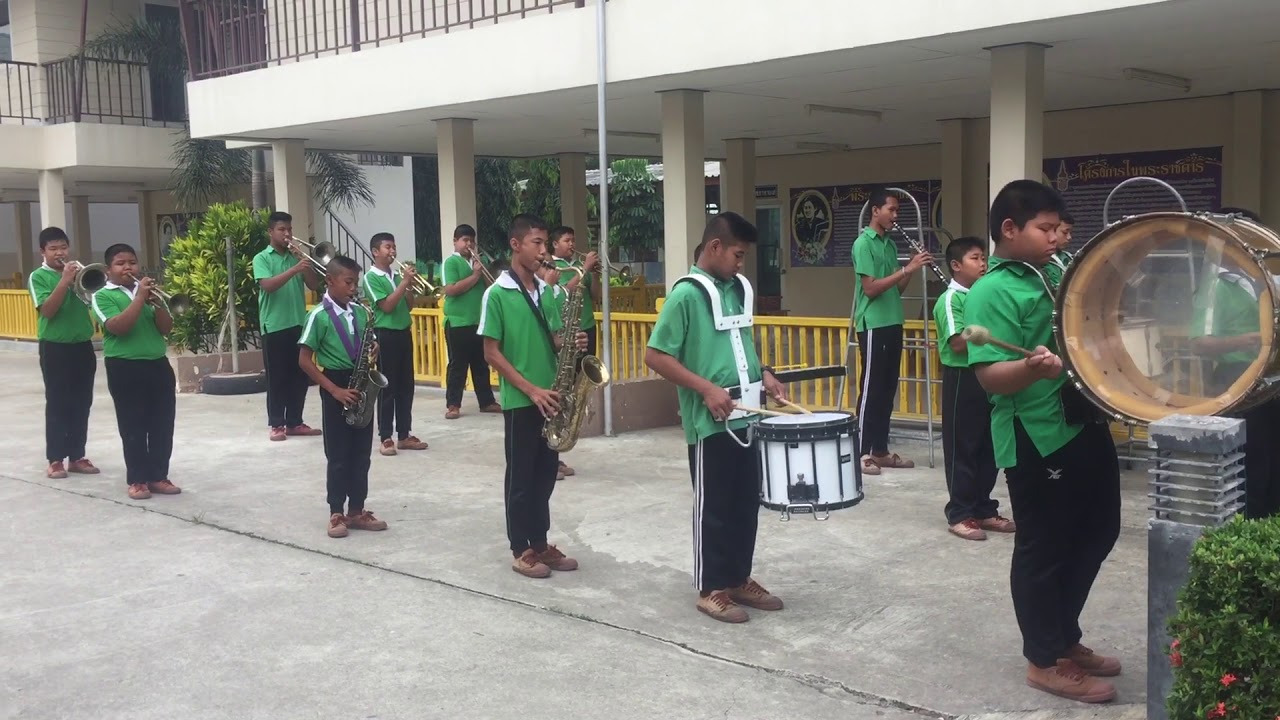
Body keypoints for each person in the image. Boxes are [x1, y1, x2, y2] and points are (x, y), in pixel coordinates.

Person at [965, 179, 1121, 704]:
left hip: (1083, 420)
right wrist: (1030, 369)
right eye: (1046, 228)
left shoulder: (1058, 270)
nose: (1057, 237)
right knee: (1045, 544)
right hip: (1037, 435)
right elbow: (989, 376)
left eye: (1060, 228)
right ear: (1009, 230)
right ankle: (1043, 659)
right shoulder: (991, 289)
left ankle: (1063, 635)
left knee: (1099, 531)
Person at [645, 211, 788, 624]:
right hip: (711, 423)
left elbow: (742, 342)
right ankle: (711, 588)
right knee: (715, 506)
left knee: (746, 502)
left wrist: (766, 374)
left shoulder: (735, 289)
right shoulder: (686, 296)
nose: (741, 265)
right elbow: (655, 355)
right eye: (738, 255)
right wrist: (705, 388)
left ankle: (739, 577)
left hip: (747, 416)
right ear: (715, 247)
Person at [478, 214, 587, 578]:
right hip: (522, 400)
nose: (544, 251)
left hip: (552, 396)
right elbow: (491, 352)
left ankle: (540, 542)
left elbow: (554, 338)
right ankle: (520, 548)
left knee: (544, 475)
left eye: (544, 244)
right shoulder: (497, 293)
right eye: (536, 243)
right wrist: (530, 389)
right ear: (516, 245)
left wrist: (571, 341)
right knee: (521, 477)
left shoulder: (548, 292)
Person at [1187, 206, 1280, 520]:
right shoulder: (1215, 287)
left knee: (1273, 460)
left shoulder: (1265, 279)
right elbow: (1199, 343)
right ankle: (1247, 529)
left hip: (1272, 378)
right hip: (1237, 378)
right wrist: (1250, 340)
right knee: (1251, 463)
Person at [299, 255, 389, 539]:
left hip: (360, 382)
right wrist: (334, 390)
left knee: (361, 453)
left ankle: (357, 509)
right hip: (335, 384)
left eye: (356, 283)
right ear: (330, 281)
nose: (354, 288)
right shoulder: (318, 315)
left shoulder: (361, 313)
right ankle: (336, 511)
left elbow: (368, 342)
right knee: (338, 454)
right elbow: (304, 360)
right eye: (348, 282)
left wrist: (374, 347)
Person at [931, 236, 1012, 541]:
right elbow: (956, 343)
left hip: (988, 373)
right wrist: (983, 333)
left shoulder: (982, 295)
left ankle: (984, 508)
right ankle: (960, 514)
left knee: (989, 445)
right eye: (976, 258)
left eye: (983, 258)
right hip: (963, 377)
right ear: (955, 265)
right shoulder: (952, 299)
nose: (983, 264)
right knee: (962, 447)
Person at [851, 188, 931, 475]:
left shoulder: (890, 244)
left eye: (897, 211)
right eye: (892, 210)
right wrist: (906, 268)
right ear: (876, 211)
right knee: (871, 388)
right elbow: (871, 288)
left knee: (887, 389)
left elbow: (897, 288)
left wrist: (910, 268)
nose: (895, 216)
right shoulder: (864, 244)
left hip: (893, 320)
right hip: (872, 323)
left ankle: (880, 450)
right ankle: (860, 453)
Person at [90, 244, 179, 501]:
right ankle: (138, 480)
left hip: (157, 363)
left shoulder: (147, 294)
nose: (128, 267)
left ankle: (159, 476)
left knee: (162, 424)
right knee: (133, 425)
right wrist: (140, 298)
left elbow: (165, 328)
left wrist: (159, 303)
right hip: (124, 366)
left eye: (132, 262)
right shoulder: (102, 296)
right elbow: (118, 327)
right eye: (120, 263)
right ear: (109, 270)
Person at [28, 226, 100, 479]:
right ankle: (56, 459)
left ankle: (77, 456)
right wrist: (65, 281)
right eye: (53, 248)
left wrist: (79, 280)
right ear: (42, 252)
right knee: (59, 403)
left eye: (63, 247)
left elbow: (94, 299)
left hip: (82, 345)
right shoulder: (38, 276)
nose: (60, 252)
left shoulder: (79, 274)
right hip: (55, 347)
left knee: (83, 402)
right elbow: (47, 310)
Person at [253, 211, 324, 442]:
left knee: (299, 376)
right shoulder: (262, 258)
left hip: (298, 323)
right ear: (271, 232)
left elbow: (314, 285)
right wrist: (294, 269)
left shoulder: (296, 256)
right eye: (282, 230)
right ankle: (276, 423)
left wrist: (304, 264)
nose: (287, 234)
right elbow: (268, 286)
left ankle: (295, 421)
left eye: (289, 230)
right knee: (278, 378)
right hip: (274, 325)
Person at [363, 232, 428, 456]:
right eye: (387, 247)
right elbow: (387, 306)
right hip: (385, 335)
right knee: (387, 388)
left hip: (403, 333)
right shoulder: (371, 278)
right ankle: (385, 437)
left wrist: (408, 286)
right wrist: (404, 283)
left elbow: (408, 305)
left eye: (394, 247)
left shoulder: (396, 276)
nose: (393, 251)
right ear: (375, 252)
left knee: (406, 386)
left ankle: (404, 434)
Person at [550, 225, 600, 479]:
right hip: (563, 336)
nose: (571, 244)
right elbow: (565, 291)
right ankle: (551, 455)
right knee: (560, 391)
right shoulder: (556, 269)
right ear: (555, 244)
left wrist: (595, 275)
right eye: (567, 240)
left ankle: (563, 438)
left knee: (572, 389)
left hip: (582, 329)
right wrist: (586, 269)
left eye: (573, 240)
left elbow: (594, 295)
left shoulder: (577, 266)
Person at [441, 224, 501, 420]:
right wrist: (475, 275)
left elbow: (491, 285)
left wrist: (481, 270)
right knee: (458, 365)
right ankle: (453, 404)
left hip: (478, 320)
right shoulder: (450, 262)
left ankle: (486, 401)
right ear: (455, 242)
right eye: (465, 241)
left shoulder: (477, 262)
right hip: (458, 322)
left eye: (472, 241)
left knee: (481, 363)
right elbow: (450, 290)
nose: (469, 245)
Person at [1044, 210, 1075, 287]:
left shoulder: (1068, 258)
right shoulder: (1043, 261)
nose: (1069, 237)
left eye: (1070, 232)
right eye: (1065, 232)